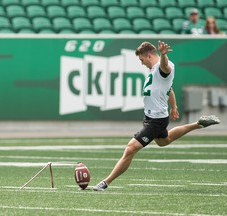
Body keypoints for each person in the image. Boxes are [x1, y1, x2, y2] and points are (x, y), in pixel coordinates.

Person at [93, 41, 220, 191]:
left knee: (130, 149)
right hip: (151, 117)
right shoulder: (154, 70)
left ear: (148, 55)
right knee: (164, 141)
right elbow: (169, 89)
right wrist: (174, 106)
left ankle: (105, 183)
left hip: (156, 120)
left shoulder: (163, 66)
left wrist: (164, 56)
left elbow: (165, 68)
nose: (141, 63)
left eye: (141, 60)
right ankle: (198, 124)